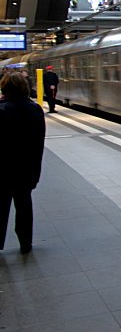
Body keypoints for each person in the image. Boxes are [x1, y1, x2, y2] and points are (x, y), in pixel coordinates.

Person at [0, 72, 46, 254]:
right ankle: (25, 243)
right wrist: (35, 172)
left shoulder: (1, 110)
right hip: (26, 169)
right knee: (24, 205)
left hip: (2, 169)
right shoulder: (34, 110)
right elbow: (38, 144)